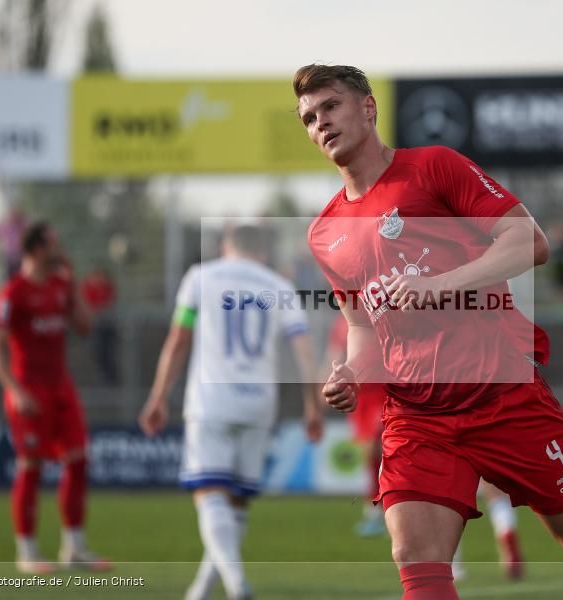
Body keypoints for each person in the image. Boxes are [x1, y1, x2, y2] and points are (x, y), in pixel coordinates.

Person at [295, 64, 563, 599]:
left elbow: (531, 241)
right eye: (310, 118)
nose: (321, 123)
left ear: (368, 108)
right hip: (418, 416)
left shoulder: (434, 167)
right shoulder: (324, 233)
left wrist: (441, 284)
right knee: (416, 555)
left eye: (331, 106)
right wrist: (350, 372)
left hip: (504, 397)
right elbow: (362, 327)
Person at [139, 224, 324, 600]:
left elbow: (179, 338)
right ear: (262, 252)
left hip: (212, 401)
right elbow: (304, 352)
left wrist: (159, 396)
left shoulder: (200, 277)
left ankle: (236, 583)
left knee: (210, 492)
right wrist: (311, 406)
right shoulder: (279, 287)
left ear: (226, 247)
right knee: (236, 500)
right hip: (258, 402)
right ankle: (203, 588)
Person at [0, 222, 110, 574]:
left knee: (79, 459)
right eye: (53, 244)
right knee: (31, 466)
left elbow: (85, 327)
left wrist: (74, 286)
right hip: (28, 389)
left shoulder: (60, 286)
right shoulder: (13, 293)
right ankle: (26, 552)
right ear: (37, 250)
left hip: (60, 387)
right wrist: (14, 389)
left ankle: (75, 548)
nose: (59, 249)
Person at [324, 313, 387, 537]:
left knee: (376, 446)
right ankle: (375, 513)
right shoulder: (341, 324)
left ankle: (385, 510)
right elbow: (334, 356)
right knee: (370, 455)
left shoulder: (380, 315)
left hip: (383, 390)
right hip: (360, 396)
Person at [81, 267, 120, 385]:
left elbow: (110, 301)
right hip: (96, 327)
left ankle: (110, 380)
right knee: (99, 352)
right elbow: (87, 303)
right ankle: (104, 379)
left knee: (109, 354)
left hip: (107, 326)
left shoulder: (107, 287)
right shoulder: (88, 287)